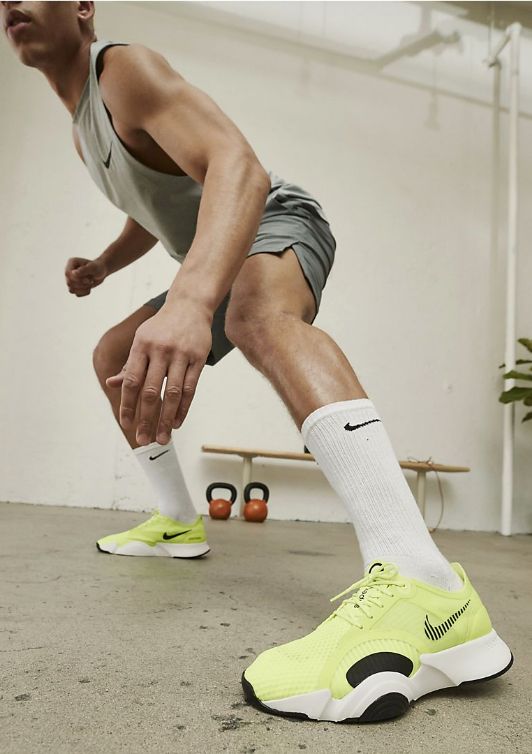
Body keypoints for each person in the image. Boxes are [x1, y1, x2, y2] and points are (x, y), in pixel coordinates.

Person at [2, 1, 512, 723]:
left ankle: (421, 581)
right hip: (221, 250)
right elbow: (150, 207)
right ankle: (178, 522)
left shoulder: (122, 69)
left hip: (275, 217)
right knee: (115, 352)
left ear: (83, 8)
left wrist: (191, 299)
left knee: (255, 316)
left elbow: (235, 165)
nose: (11, 2)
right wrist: (106, 265)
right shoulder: (86, 134)